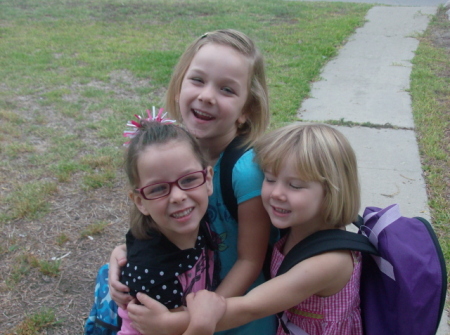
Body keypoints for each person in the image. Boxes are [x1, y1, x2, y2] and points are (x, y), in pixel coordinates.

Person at [108, 29, 278, 334]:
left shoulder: (244, 171)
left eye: (227, 90)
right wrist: (120, 256)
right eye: (197, 80)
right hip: (184, 302)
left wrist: (203, 313)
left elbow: (251, 260)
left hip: (236, 319)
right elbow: (154, 220)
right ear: (178, 87)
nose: (207, 96)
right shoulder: (169, 153)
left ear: (246, 110)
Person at [138, 123, 364, 335]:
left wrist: (169, 323)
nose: (276, 193)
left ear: (332, 192)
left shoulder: (329, 261)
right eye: (270, 179)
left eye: (294, 185)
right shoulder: (296, 226)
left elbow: (250, 308)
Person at [116, 117, 219, 335]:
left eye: (189, 180)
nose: (178, 196)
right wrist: (202, 324)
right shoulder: (151, 273)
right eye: (158, 189)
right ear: (140, 202)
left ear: (208, 179)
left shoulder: (202, 219)